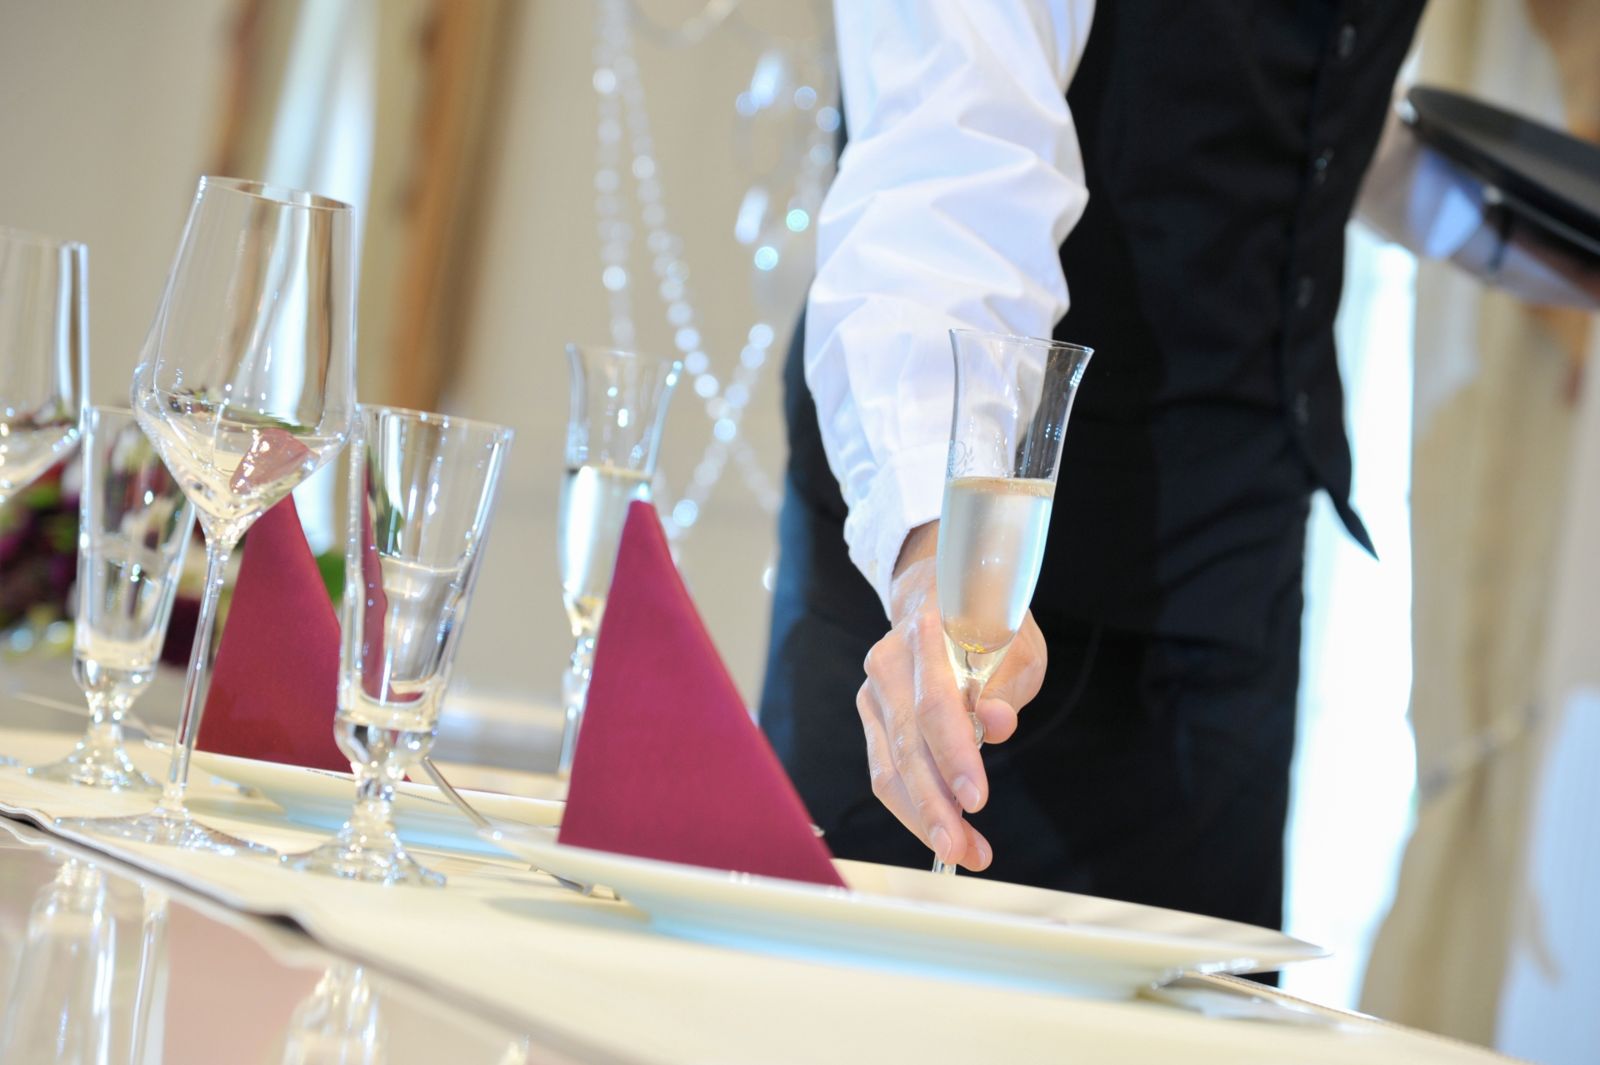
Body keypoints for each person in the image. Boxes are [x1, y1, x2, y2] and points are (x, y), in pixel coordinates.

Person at [759, 0, 1599, 932]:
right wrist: (940, 566)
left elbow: (1291, 98)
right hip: (970, 601)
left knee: (1195, 995)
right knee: (885, 986)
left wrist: (1530, 235)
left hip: (1236, 576)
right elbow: (948, 163)